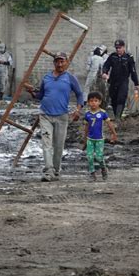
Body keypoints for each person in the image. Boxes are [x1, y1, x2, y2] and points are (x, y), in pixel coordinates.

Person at [25, 52, 84, 182]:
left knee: (58, 145)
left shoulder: (70, 78)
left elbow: (80, 95)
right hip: (45, 115)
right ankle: (48, 171)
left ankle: (56, 171)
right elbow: (40, 95)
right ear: (54, 63)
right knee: (46, 144)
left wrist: (78, 110)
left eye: (62, 61)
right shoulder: (46, 77)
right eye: (57, 61)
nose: (59, 64)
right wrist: (31, 92)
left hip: (62, 116)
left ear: (66, 62)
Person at [83, 91, 117, 182]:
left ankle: (103, 168)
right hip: (90, 139)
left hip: (99, 139)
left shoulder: (103, 113)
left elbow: (109, 124)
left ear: (100, 102)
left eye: (96, 101)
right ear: (88, 102)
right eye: (91, 101)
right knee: (89, 157)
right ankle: (92, 173)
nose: (93, 103)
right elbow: (86, 127)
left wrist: (114, 133)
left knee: (99, 157)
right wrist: (84, 139)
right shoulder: (87, 114)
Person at [102, 39, 139, 120]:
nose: (118, 49)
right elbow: (106, 65)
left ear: (123, 47)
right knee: (114, 99)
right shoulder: (112, 56)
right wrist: (105, 72)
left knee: (121, 98)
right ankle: (116, 116)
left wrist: (136, 83)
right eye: (116, 48)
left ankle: (118, 118)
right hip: (113, 81)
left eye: (119, 47)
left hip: (123, 81)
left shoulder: (129, 57)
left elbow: (133, 71)